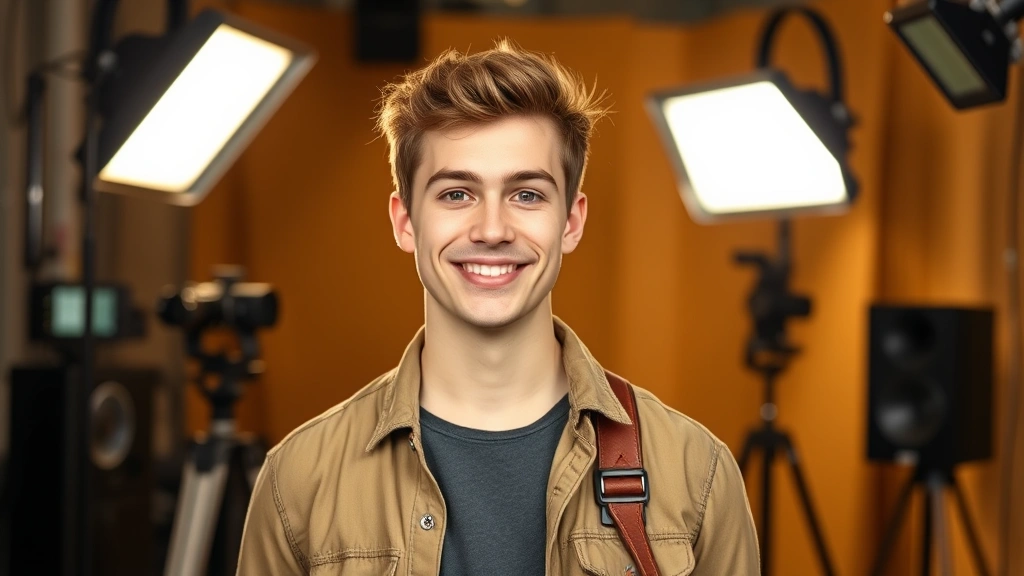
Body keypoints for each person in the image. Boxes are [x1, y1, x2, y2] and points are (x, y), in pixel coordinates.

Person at [236, 39, 758, 576]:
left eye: (527, 194)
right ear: (404, 221)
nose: (491, 230)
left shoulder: (697, 473)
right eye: (456, 194)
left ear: (571, 221)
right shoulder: (297, 481)